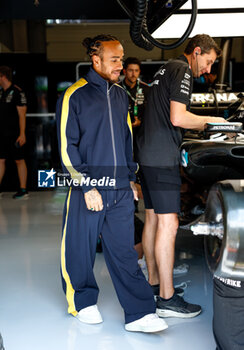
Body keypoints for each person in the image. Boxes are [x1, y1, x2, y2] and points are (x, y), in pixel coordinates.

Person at [56, 34, 167, 333]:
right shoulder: (74, 95)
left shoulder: (121, 95)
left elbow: (126, 139)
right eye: (115, 59)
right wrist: (85, 185)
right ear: (96, 60)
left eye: (122, 58)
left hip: (119, 188)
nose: (121, 64)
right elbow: (68, 146)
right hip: (88, 188)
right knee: (79, 249)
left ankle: (140, 312)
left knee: (124, 252)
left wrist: (131, 179)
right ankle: (82, 301)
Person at [136, 34, 227, 318]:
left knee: (152, 218)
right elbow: (178, 117)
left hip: (147, 155)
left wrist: (199, 119)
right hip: (161, 158)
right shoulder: (184, 70)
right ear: (196, 52)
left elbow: (169, 113)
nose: (208, 70)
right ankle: (167, 298)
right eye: (209, 61)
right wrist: (213, 122)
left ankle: (154, 284)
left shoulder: (167, 67)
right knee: (169, 224)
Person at [0, 66, 28, 199]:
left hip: (15, 133)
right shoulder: (1, 92)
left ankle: (23, 190)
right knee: (0, 160)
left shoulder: (17, 92)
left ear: (3, 76)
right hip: (2, 134)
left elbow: (22, 115)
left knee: (19, 160)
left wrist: (22, 134)